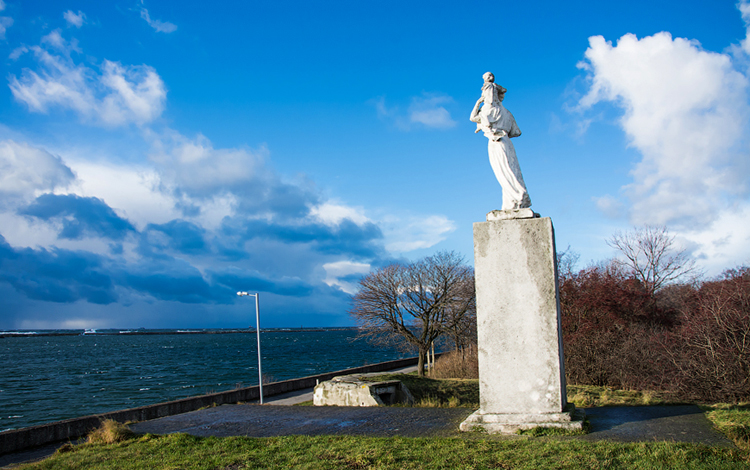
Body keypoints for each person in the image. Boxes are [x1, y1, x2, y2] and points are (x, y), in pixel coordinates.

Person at [470, 72, 531, 210]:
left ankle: (519, 196)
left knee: (504, 172)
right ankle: (511, 204)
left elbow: (473, 118)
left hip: (496, 142)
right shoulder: (507, 112)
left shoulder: (487, 110)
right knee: (512, 170)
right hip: (507, 142)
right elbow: (516, 132)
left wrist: (478, 103)